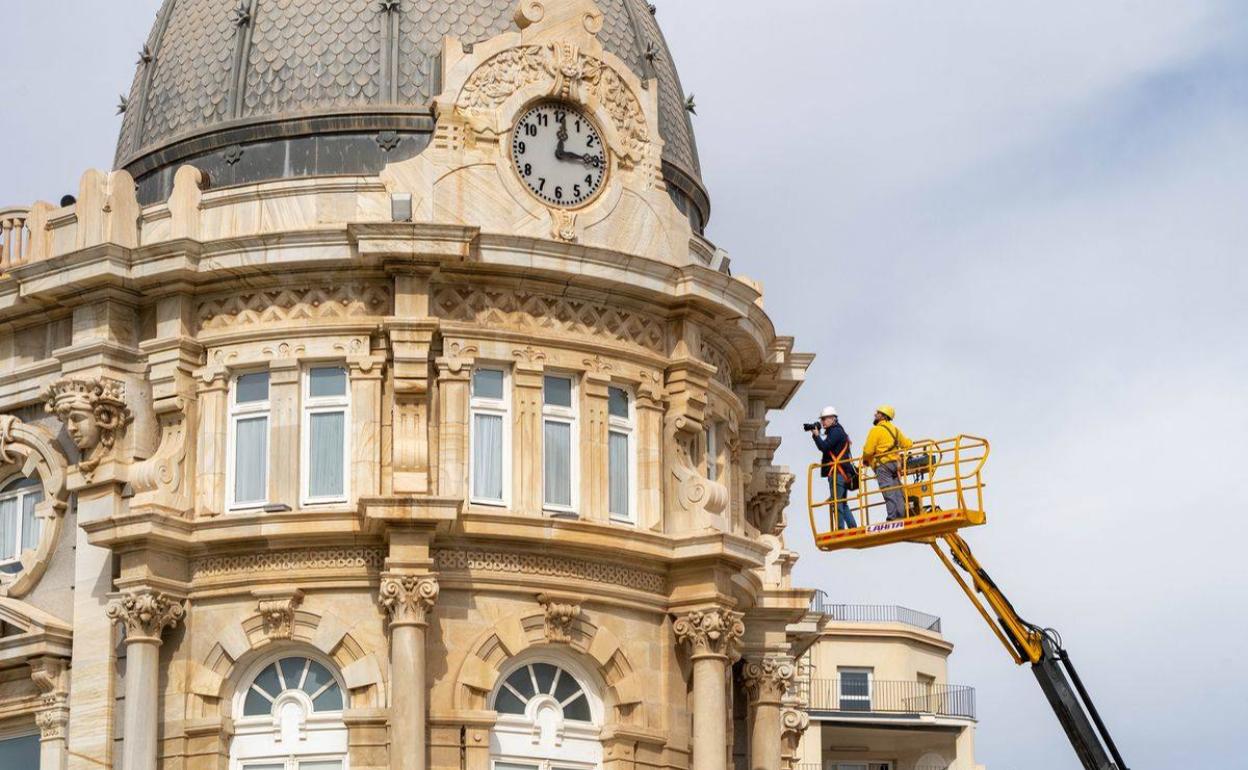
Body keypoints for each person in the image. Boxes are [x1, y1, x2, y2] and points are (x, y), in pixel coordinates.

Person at [861, 405, 913, 521]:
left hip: (883, 466)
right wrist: (911, 442)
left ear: (883, 416)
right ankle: (901, 515)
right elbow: (907, 444)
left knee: (888, 490)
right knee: (897, 490)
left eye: (878, 413)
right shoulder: (895, 430)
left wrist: (865, 459)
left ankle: (892, 518)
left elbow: (868, 451)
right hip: (895, 464)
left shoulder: (876, 430)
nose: (875, 414)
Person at [809, 406, 857, 530]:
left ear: (833, 419)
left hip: (838, 473)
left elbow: (824, 447)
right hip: (841, 473)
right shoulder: (837, 431)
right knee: (841, 502)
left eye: (824, 419)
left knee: (837, 502)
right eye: (822, 419)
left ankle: (840, 528)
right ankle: (852, 527)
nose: (822, 422)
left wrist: (816, 436)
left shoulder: (836, 432)